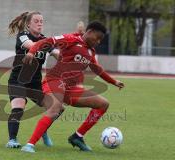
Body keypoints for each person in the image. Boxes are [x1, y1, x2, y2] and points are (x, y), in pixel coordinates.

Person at [21, 21, 125, 153]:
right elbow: (48, 41)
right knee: (55, 108)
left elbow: (98, 69)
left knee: (103, 104)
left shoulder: (90, 51)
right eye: (97, 38)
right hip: (55, 80)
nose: (98, 42)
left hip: (71, 88)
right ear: (90, 32)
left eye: (100, 40)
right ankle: (30, 145)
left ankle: (77, 137)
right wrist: (31, 52)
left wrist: (113, 81)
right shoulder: (71, 39)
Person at [6, 11, 60, 148]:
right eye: (36, 21)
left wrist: (70, 56)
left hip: (35, 83)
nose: (39, 23)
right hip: (18, 80)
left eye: (41, 21)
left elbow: (57, 54)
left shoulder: (45, 39)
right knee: (18, 107)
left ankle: (43, 130)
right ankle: (12, 140)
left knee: (57, 108)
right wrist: (47, 45)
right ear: (28, 24)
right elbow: (31, 46)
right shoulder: (23, 36)